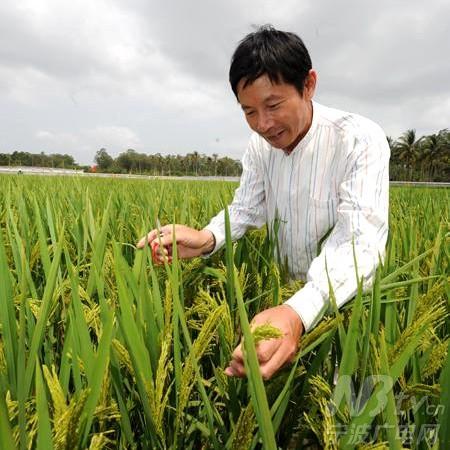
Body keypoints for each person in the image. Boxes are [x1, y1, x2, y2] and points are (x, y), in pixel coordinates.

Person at [137, 25, 390, 380]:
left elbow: (361, 242)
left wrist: (299, 310)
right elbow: (246, 208)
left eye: (273, 105)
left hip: (344, 307)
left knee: (345, 407)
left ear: (309, 85)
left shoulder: (359, 140)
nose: (263, 124)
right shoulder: (260, 147)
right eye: (248, 112)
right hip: (279, 309)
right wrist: (207, 238)